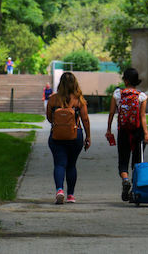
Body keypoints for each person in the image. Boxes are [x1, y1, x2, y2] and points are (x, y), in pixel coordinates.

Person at [106, 67, 148, 202]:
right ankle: (135, 189)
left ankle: (125, 180)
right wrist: (147, 134)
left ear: (125, 80)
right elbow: (142, 116)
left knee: (123, 160)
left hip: (123, 131)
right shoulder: (141, 96)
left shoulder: (118, 94)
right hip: (138, 132)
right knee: (137, 162)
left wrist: (108, 129)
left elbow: (112, 113)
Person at [46, 72, 91, 204]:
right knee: (71, 165)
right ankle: (70, 195)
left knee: (59, 163)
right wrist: (88, 137)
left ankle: (59, 190)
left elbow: (49, 117)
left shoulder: (53, 99)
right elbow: (85, 120)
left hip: (56, 136)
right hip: (75, 135)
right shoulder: (79, 100)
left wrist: (60, 123)